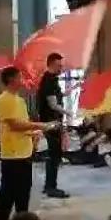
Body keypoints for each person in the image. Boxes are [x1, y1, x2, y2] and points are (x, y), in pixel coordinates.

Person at [0, 67, 61, 220]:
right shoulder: (4, 99)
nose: (23, 80)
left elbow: (23, 125)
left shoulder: (20, 101)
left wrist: (35, 133)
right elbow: (15, 125)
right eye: (20, 77)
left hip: (25, 153)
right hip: (12, 155)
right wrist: (42, 125)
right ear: (11, 80)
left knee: (23, 194)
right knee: (8, 194)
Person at [36, 53, 72, 197]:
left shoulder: (50, 80)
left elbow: (55, 97)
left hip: (52, 122)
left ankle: (49, 185)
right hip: (51, 123)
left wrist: (67, 93)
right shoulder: (49, 81)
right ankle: (51, 187)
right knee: (54, 155)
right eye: (59, 65)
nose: (61, 68)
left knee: (54, 154)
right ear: (51, 64)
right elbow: (52, 104)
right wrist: (68, 112)